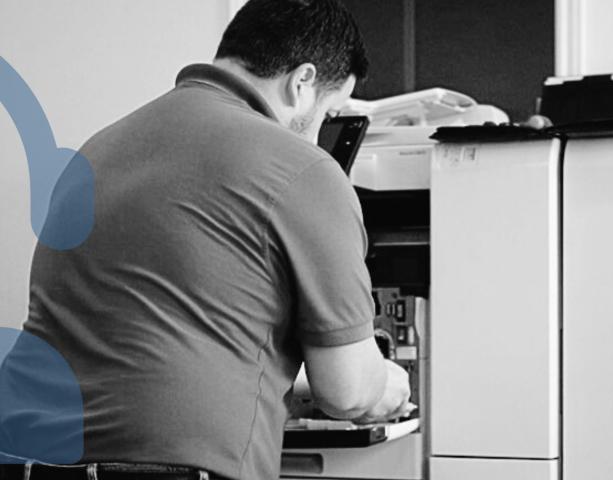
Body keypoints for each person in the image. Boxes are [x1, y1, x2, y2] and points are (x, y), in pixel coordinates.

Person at [0, 0, 412, 479]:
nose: (321, 132)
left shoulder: (97, 149)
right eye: (330, 111)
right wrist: (386, 385)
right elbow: (348, 391)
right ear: (302, 82)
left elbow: (149, 342)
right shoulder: (303, 168)